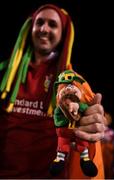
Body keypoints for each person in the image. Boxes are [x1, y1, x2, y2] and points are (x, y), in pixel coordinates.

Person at [0, 4, 106, 179]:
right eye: (39, 22)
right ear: (30, 27)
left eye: (52, 24)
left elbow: (86, 120)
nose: (44, 28)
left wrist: (91, 124)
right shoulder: (4, 74)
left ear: (63, 34)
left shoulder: (71, 82)